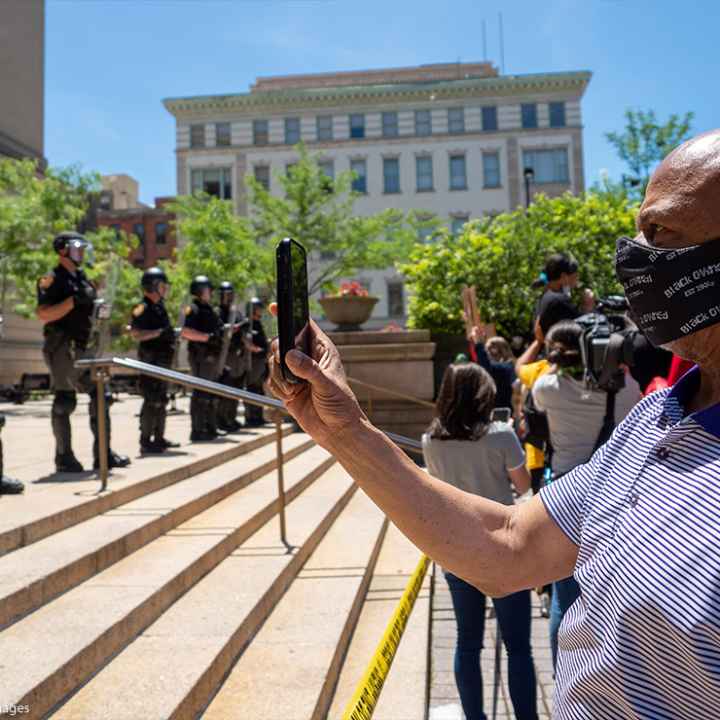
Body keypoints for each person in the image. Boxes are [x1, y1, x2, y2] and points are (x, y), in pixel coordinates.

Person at [266, 128, 720, 720]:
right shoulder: (652, 421)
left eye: (659, 232)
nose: (632, 254)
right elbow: (507, 547)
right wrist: (342, 430)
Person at [423, 363, 537, 720]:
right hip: (504, 546)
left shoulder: (431, 440)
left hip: (457, 549)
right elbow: (522, 486)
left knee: (467, 641)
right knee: (518, 647)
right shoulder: (501, 435)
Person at [531, 320, 642, 669]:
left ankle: (564, 677)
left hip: (564, 494)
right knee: (610, 591)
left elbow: (535, 398)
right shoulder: (622, 389)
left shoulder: (548, 387)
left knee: (564, 599)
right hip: (611, 493)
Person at [36, 232, 130, 472]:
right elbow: (43, 314)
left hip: (85, 346)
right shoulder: (52, 278)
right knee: (64, 402)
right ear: (62, 250)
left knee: (101, 395)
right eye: (76, 248)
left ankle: (103, 455)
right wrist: (71, 302)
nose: (81, 252)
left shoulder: (82, 277)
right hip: (62, 347)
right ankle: (64, 457)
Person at [129, 267, 179, 454]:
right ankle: (145, 440)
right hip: (150, 361)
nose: (165, 289)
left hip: (163, 360)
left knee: (162, 399)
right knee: (151, 400)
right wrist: (158, 333)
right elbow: (136, 334)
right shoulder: (142, 308)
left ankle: (159, 438)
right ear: (153, 286)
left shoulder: (160, 307)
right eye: (162, 285)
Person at [182, 275, 224, 441]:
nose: (211, 292)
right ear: (200, 291)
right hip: (201, 356)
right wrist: (207, 338)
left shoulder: (210, 309)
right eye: (208, 289)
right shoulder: (193, 309)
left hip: (213, 357)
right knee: (201, 394)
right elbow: (186, 332)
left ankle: (210, 427)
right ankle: (198, 430)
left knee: (211, 394)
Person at [533, 253, 594, 336]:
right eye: (574, 275)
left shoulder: (546, 296)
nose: (577, 278)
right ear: (563, 276)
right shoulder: (559, 300)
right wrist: (588, 305)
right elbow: (584, 327)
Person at [216, 281, 249, 433]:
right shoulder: (217, 312)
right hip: (225, 355)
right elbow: (219, 331)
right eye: (226, 295)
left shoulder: (236, 312)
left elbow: (243, 330)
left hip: (238, 354)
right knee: (226, 389)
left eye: (231, 294)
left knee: (236, 388)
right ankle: (222, 420)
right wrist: (233, 328)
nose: (229, 298)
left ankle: (231, 417)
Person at [469, 325, 516, 410]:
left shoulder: (507, 368)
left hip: (503, 415)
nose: (487, 354)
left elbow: (486, 367)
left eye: (487, 350)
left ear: (495, 350)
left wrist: (478, 344)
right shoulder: (513, 366)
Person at [244, 297, 269, 427]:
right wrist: (257, 349)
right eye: (258, 309)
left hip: (260, 362)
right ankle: (251, 418)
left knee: (259, 390)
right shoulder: (248, 324)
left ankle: (258, 416)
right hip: (252, 362)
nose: (261, 311)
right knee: (252, 389)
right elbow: (246, 342)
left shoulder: (257, 323)